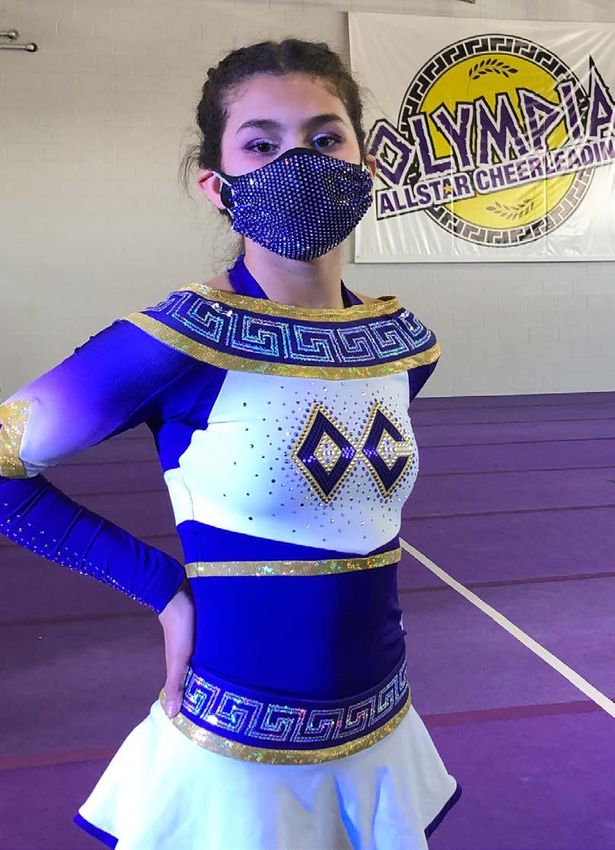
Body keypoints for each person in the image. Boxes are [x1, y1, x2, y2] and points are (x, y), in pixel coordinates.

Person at [0, 37, 461, 850]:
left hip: (381, 726)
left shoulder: (402, 344)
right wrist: (163, 592)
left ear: (366, 164)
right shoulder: (176, 340)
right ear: (217, 184)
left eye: (325, 138)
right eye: (261, 144)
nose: (298, 163)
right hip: (233, 750)